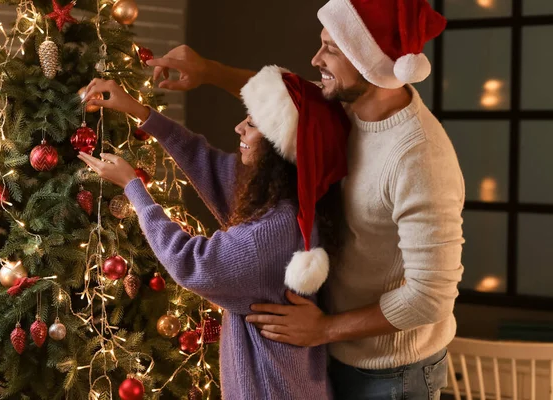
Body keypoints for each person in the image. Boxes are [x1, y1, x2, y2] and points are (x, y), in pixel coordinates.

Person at [146, 0, 465, 398]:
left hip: (392, 375)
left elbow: (429, 298)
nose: (315, 58)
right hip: (332, 354)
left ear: (369, 60)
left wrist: (325, 329)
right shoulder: (346, 105)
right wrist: (208, 71)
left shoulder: (419, 160)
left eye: (331, 48)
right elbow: (288, 102)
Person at [79, 65, 351, 400]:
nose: (238, 128)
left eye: (251, 124)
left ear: (279, 146)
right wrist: (138, 109)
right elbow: (203, 159)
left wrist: (133, 187)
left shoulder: (274, 230)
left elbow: (191, 262)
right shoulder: (288, 197)